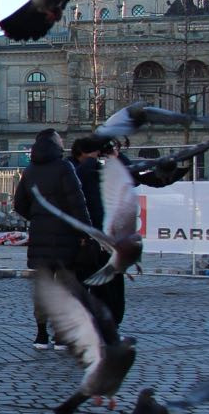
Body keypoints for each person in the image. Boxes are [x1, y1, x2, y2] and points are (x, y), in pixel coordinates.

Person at [13, 128, 92, 350]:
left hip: (40, 236)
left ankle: (40, 335)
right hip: (66, 237)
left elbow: (19, 204)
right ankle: (61, 335)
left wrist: (37, 217)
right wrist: (85, 232)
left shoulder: (29, 171)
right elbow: (78, 202)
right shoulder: (64, 167)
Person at [72, 136, 127, 326]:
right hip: (104, 236)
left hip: (91, 236)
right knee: (108, 284)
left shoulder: (76, 169)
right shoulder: (95, 169)